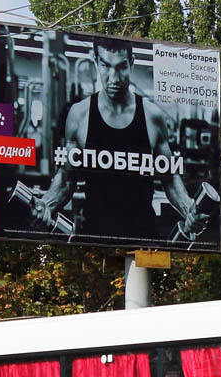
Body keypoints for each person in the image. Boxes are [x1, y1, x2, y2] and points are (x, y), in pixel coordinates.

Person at [33, 36, 201, 244]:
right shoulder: (79, 115)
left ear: (132, 63)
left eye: (121, 67)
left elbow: (170, 179)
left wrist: (189, 209)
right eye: (105, 66)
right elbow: (67, 180)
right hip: (95, 237)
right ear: (95, 62)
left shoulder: (152, 116)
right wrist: (46, 205)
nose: (114, 78)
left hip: (143, 237)